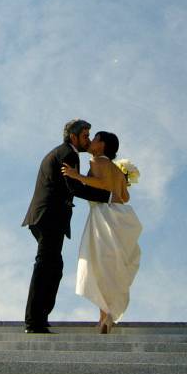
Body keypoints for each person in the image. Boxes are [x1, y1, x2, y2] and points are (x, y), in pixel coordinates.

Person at [22, 120, 112, 334]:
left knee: (53, 266)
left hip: (45, 217)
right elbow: (74, 187)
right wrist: (105, 194)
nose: (88, 140)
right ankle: (34, 322)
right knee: (46, 266)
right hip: (49, 217)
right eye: (85, 136)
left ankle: (39, 319)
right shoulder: (68, 154)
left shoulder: (62, 152)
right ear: (73, 137)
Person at [61, 131, 142, 334]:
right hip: (121, 217)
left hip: (103, 216)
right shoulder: (116, 169)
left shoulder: (98, 161)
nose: (91, 142)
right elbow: (124, 196)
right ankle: (106, 316)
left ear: (103, 145)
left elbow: (103, 186)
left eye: (95, 139)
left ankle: (105, 316)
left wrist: (76, 176)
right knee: (110, 265)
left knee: (99, 265)